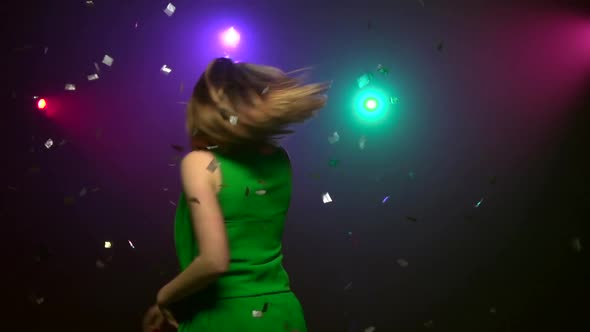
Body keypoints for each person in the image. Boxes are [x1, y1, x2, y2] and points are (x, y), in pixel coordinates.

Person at [142, 57, 329, 332]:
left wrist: (163, 298)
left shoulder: (200, 164)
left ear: (206, 109)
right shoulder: (280, 159)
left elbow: (214, 261)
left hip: (228, 319)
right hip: (284, 314)